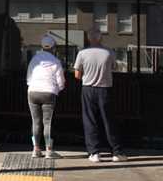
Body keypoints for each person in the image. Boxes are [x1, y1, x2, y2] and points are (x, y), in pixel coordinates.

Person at [74, 28, 127, 163]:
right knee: (109, 120)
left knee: (90, 120)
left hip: (88, 89)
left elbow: (77, 75)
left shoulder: (82, 53)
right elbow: (115, 68)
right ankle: (116, 152)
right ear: (101, 38)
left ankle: (94, 153)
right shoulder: (109, 52)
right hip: (105, 89)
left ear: (88, 38)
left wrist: (88, 76)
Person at [26, 35, 65, 158]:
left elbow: (28, 79)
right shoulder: (56, 61)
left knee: (36, 122)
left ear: (42, 47)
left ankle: (36, 149)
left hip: (33, 91)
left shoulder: (34, 59)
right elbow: (61, 82)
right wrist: (56, 89)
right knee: (47, 122)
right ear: (53, 48)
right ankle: (49, 150)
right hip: (49, 92)